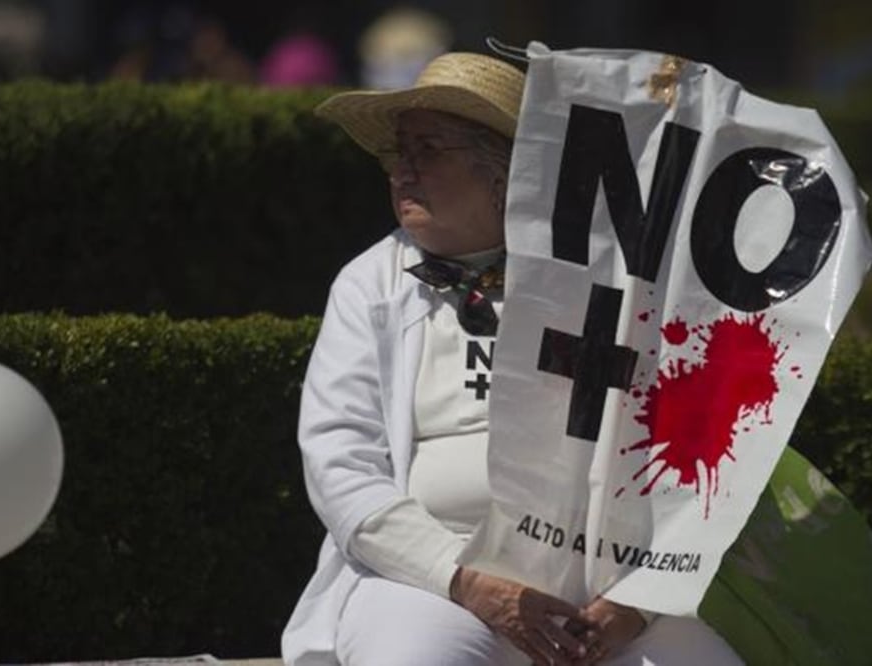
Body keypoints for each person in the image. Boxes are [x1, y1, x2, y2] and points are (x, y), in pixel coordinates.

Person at [281, 52, 743, 665]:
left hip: (606, 593)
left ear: (505, 174)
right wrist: (466, 579)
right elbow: (341, 465)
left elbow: (692, 456)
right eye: (399, 153)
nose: (401, 172)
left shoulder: (616, 281)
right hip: (431, 580)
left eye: (427, 150)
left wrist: (635, 603)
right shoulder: (372, 283)